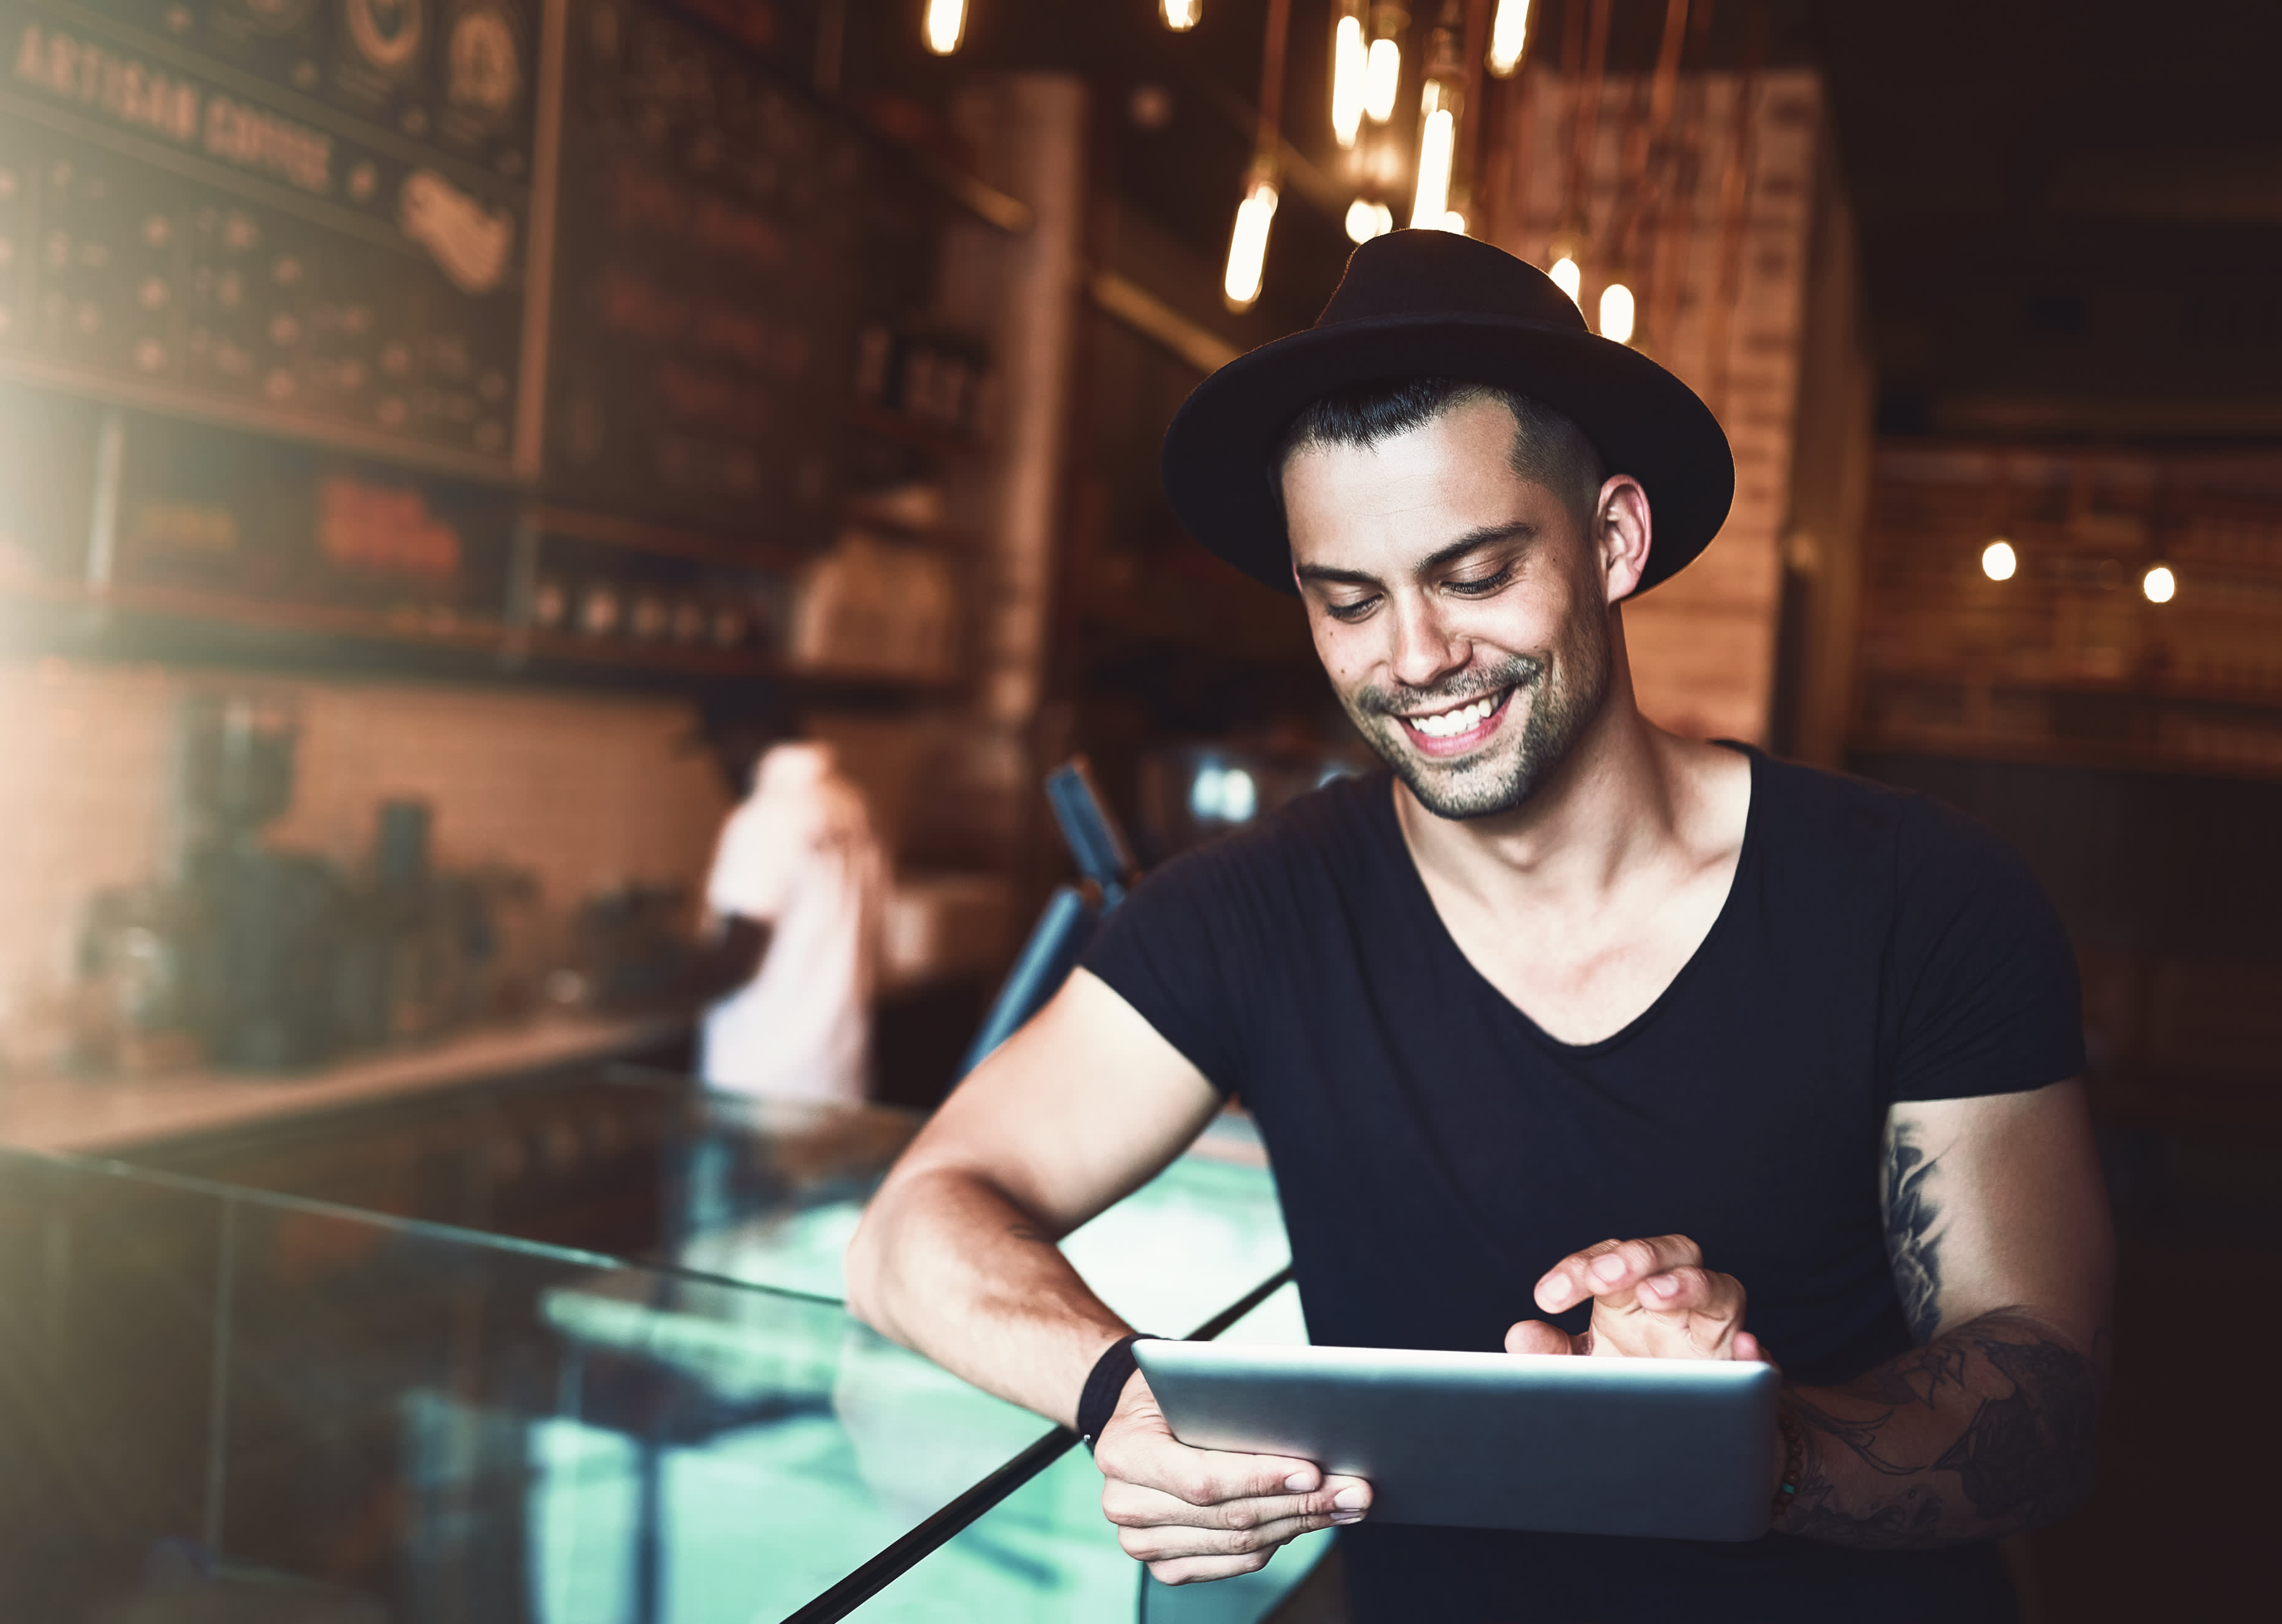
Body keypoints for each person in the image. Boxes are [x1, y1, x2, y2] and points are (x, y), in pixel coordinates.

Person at [844, 232, 2111, 1622]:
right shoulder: (1257, 911)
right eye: (1348, 601)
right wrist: (1123, 1399)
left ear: (1612, 539)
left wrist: (1744, 1448)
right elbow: (913, 1225)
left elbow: (2043, 1388)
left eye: (1474, 572)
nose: (1414, 658)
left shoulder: (1919, 895)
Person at [677, 680, 887, 1104]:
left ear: (745, 737)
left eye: (718, 749)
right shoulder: (849, 803)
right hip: (836, 1076)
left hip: (760, 1087)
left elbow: (736, 958)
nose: (719, 767)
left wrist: (638, 987)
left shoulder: (764, 816)